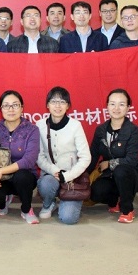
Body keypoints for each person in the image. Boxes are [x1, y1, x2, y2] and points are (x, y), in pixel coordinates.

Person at [88, 89, 138, 223]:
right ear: (107, 106)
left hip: (129, 173)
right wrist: (84, 175)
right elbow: (93, 155)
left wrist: (110, 163)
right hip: (109, 175)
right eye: (112, 104)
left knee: (120, 171)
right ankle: (114, 200)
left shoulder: (133, 130)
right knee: (96, 192)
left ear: (128, 108)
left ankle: (127, 209)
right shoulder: (101, 130)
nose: (116, 108)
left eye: (121, 104)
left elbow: (131, 160)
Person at [35, 87, 91, 224]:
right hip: (50, 175)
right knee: (46, 184)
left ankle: (67, 201)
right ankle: (49, 203)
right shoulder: (40, 125)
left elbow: (86, 157)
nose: (58, 106)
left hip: (72, 178)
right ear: (47, 105)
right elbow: (38, 156)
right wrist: (54, 170)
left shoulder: (75, 126)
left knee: (68, 218)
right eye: (54, 101)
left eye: (62, 102)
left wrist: (67, 176)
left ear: (68, 106)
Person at [0, 90, 41, 224]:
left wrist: (2, 170)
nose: (11, 109)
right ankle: (3, 202)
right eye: (6, 105)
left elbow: (29, 160)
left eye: (15, 105)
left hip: (24, 178)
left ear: (22, 108)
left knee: (22, 176)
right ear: (1, 109)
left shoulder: (32, 130)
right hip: (1, 179)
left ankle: (26, 209)